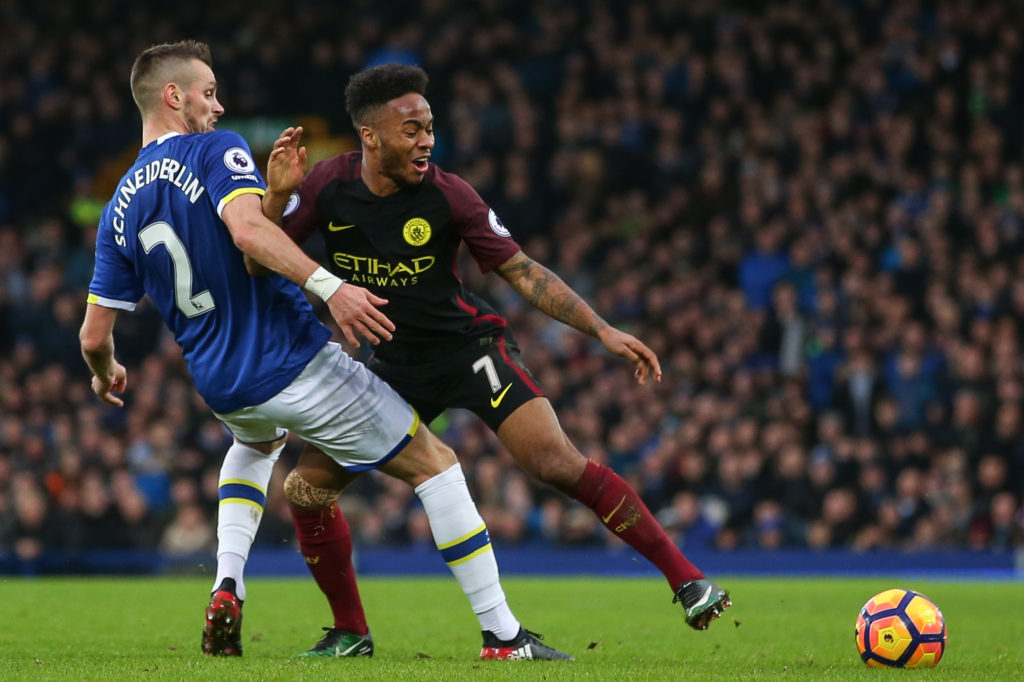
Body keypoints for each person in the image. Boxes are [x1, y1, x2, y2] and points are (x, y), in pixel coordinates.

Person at [80, 41, 570, 662]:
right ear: (173, 97)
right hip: (289, 358)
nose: (218, 104)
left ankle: (228, 581)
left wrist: (106, 374)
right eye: (207, 92)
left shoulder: (116, 207)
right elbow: (250, 234)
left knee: (255, 444)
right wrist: (331, 287)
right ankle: (503, 635)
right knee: (435, 463)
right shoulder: (215, 148)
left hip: (219, 380)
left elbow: (94, 337)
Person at [261, 63, 732, 638]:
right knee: (305, 490)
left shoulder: (451, 195)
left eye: (430, 126)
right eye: (411, 129)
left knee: (555, 463)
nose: (427, 139)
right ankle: (349, 634)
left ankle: (687, 579)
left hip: (469, 351)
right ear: (371, 135)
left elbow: (523, 271)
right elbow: (266, 253)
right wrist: (276, 197)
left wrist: (601, 330)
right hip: (393, 369)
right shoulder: (327, 187)